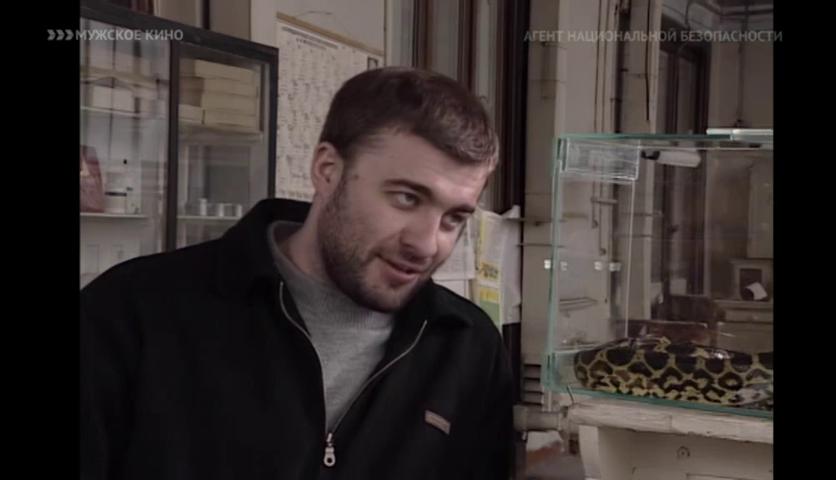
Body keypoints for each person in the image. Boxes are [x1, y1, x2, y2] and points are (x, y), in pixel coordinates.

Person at [80, 66, 514, 480]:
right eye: (406, 198)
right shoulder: (130, 313)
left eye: (454, 219)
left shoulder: (469, 348)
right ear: (328, 170)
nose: (427, 243)